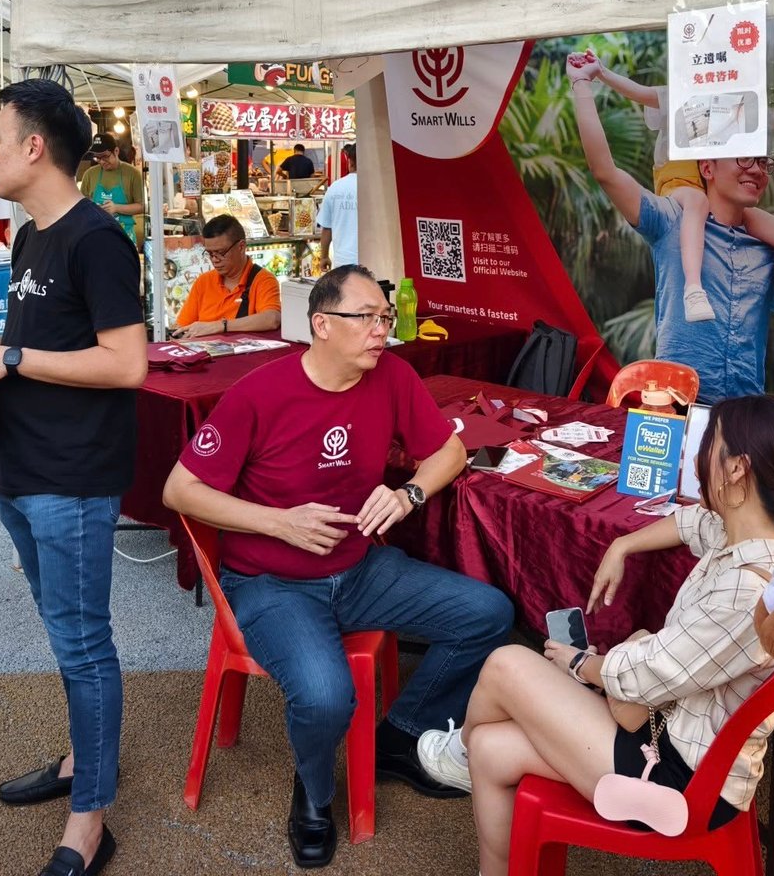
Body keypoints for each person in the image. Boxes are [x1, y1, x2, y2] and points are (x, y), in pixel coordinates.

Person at [162, 266, 514, 869]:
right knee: (326, 697)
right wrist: (279, 522)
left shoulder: (392, 375)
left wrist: (409, 495)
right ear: (321, 324)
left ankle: (399, 737)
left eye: (385, 318)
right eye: (367, 318)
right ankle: (315, 791)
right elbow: (179, 490)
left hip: (360, 570)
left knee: (488, 614)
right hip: (272, 583)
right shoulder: (259, 393)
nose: (382, 330)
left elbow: (451, 450)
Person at [416, 395, 774, 874]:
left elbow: (646, 675)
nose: (696, 455)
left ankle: (457, 752)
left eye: (709, 442)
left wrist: (580, 665)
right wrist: (622, 544)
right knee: (491, 749)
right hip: (667, 733)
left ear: (736, 469)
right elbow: (692, 523)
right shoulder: (760, 542)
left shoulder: (746, 593)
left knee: (506, 664)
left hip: (680, 777)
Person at [0, 79, 146, 876]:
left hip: (73, 478)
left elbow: (126, 363)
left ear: (33, 147)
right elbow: (42, 341)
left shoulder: (98, 240)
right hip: (21, 470)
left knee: (84, 644)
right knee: (65, 634)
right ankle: (83, 759)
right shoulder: (30, 236)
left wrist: (13, 357)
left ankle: (91, 817)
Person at [570, 60, 774, 403]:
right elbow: (605, 172)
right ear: (707, 167)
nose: (757, 170)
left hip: (742, 412)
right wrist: (582, 84)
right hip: (675, 406)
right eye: (745, 158)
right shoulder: (672, 220)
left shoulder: (767, 245)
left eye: (764, 162)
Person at [171, 214, 280, 337]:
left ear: (241, 247)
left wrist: (220, 326)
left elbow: (272, 319)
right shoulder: (204, 281)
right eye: (210, 253)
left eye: (220, 252)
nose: (214, 259)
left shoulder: (263, 280)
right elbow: (182, 327)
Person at [79, 139, 145, 247]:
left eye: (105, 156)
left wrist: (116, 208)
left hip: (124, 235)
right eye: (97, 158)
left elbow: (141, 206)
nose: (102, 162)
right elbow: (81, 204)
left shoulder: (133, 174)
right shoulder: (89, 174)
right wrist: (93, 206)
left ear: (116, 151)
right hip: (96, 234)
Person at [316, 144, 358, 270]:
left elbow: (327, 228)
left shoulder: (335, 187)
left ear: (350, 162)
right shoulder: (378, 187)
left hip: (343, 262)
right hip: (376, 261)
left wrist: (324, 256)